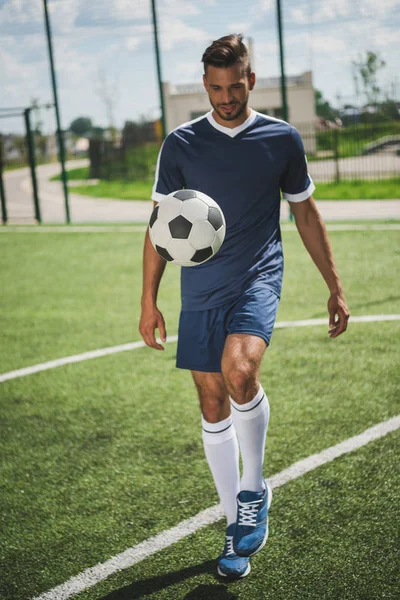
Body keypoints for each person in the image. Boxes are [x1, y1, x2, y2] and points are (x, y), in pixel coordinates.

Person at [139, 33, 350, 579]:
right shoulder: (181, 145)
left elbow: (305, 214)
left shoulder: (280, 140)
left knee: (239, 371)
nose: (225, 97)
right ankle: (236, 525)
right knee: (211, 400)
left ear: (251, 80)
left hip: (258, 276)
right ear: (204, 85)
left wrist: (335, 284)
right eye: (215, 88)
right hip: (201, 288)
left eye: (234, 87)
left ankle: (254, 488)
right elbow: (160, 227)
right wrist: (149, 301)